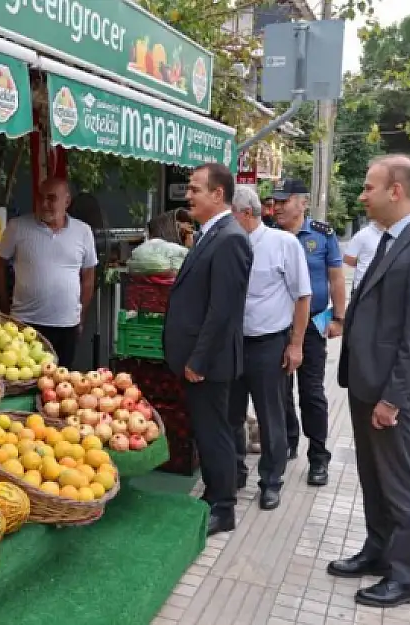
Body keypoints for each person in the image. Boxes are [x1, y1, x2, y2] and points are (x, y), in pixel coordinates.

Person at [329, 155, 410, 608]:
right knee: (373, 477)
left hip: (390, 393)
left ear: (395, 191)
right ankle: (377, 550)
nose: (362, 195)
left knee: (399, 483)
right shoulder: (387, 240)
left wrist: (394, 399)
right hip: (368, 384)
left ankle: (405, 577)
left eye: (368, 187)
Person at [162, 163, 253, 536]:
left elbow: (224, 310)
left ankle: (223, 507)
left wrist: (198, 359)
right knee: (206, 430)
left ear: (218, 195)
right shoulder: (208, 234)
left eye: (196, 189)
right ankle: (214, 494)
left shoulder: (230, 238)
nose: (188, 195)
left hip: (209, 362)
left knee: (215, 432)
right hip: (198, 358)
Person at [228, 186, 311, 510]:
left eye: (230, 215)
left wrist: (296, 345)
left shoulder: (283, 244)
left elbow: (303, 297)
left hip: (268, 344)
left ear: (246, 214)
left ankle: (271, 481)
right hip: (232, 344)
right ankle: (235, 472)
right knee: (231, 413)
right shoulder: (227, 245)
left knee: (270, 414)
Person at [273, 179, 347, 486]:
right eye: (274, 202)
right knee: (279, 391)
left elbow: (336, 278)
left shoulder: (321, 234)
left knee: (311, 393)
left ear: (302, 203)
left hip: (314, 324)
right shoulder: (267, 234)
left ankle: (318, 457)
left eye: (283, 201)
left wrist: (339, 318)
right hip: (275, 326)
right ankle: (287, 442)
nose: (276, 207)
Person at [0, 178, 97, 366]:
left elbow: (88, 277)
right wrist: (4, 306)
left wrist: (80, 315)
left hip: (66, 325)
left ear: (67, 201)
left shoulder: (83, 232)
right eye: (40, 197)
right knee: (25, 380)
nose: (44, 203)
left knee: (59, 385)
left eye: (51, 198)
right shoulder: (17, 227)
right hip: (25, 323)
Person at [344, 220, 382, 293]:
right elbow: (348, 258)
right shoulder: (363, 235)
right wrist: (364, 264)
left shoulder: (394, 234)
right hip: (362, 285)